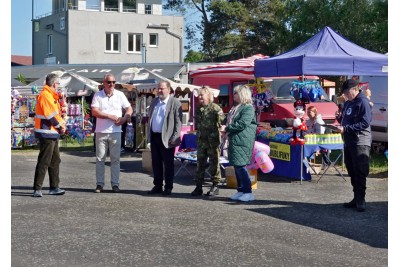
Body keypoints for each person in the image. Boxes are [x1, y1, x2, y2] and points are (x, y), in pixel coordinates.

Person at [91, 74, 133, 193]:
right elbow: (94, 112)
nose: (112, 84)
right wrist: (109, 116)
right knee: (100, 159)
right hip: (101, 131)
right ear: (104, 83)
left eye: (114, 82)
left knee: (115, 159)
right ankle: (100, 184)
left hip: (116, 131)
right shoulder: (98, 95)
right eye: (109, 82)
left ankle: (115, 184)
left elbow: (129, 109)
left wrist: (125, 118)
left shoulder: (120, 95)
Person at [336, 79, 372, 212]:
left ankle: (361, 200)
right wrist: (340, 118)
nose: (345, 95)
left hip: (360, 141)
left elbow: (365, 122)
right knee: (352, 170)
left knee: (360, 171)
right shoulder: (348, 103)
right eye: (344, 93)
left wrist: (346, 129)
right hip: (349, 141)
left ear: (355, 90)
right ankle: (356, 198)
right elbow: (347, 119)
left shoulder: (362, 102)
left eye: (347, 92)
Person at [32, 73, 66, 197]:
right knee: (44, 160)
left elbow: (55, 114)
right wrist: (60, 127)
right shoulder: (46, 95)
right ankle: (37, 188)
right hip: (46, 132)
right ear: (53, 84)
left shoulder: (51, 95)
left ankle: (54, 187)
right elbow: (50, 115)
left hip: (52, 132)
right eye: (58, 84)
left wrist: (61, 126)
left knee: (55, 160)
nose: (58, 86)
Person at [146, 81, 182, 196]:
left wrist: (175, 136)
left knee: (168, 164)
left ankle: (168, 187)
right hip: (155, 136)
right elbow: (150, 118)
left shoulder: (175, 102)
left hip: (167, 137)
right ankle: (157, 185)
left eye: (162, 88)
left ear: (169, 89)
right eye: (159, 89)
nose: (160, 91)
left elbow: (178, 122)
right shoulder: (155, 101)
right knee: (156, 163)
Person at [223, 85, 257, 202]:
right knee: (237, 166)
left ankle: (248, 192)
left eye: (236, 93)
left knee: (241, 166)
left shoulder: (248, 108)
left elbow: (242, 123)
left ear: (242, 94)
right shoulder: (235, 107)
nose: (234, 95)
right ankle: (241, 190)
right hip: (235, 140)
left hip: (242, 140)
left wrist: (227, 128)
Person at [191, 86, 225, 197]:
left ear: (209, 96)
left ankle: (215, 186)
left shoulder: (215, 108)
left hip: (212, 142)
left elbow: (222, 123)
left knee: (214, 164)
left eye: (202, 95)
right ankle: (198, 186)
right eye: (199, 95)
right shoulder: (198, 109)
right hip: (201, 141)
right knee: (200, 164)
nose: (199, 97)